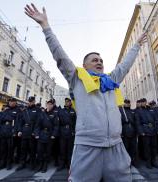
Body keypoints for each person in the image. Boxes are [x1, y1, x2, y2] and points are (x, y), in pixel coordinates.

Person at [24, 3, 146, 181]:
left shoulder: (110, 80)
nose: (99, 62)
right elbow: (60, 55)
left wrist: (136, 46)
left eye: (101, 60)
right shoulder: (76, 78)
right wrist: (45, 27)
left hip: (116, 145)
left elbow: (125, 65)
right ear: (85, 65)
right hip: (87, 147)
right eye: (94, 60)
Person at [0, 98, 21, 170]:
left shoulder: (18, 111)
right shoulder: (5, 110)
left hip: (11, 132)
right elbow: (0, 122)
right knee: (2, 149)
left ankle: (8, 163)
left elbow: (18, 122)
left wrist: (15, 131)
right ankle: (2, 163)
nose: (11, 103)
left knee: (10, 149)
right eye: (10, 102)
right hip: (3, 132)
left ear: (16, 103)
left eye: (13, 102)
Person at [17, 96, 41, 170]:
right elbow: (21, 121)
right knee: (23, 149)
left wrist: (35, 132)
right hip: (24, 131)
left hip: (32, 132)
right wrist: (20, 130)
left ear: (34, 101)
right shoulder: (25, 110)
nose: (30, 103)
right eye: (29, 101)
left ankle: (32, 164)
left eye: (32, 101)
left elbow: (38, 122)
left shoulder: (38, 110)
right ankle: (22, 163)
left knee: (32, 149)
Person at [136, 98, 158, 169]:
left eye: (144, 102)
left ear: (146, 102)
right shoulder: (139, 111)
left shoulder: (151, 110)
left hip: (153, 130)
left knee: (154, 147)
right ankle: (148, 162)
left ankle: (154, 161)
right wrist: (141, 132)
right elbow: (138, 123)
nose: (143, 103)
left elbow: (156, 120)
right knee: (147, 148)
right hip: (145, 131)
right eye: (142, 102)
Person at [57, 98, 76, 171]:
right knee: (62, 149)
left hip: (70, 132)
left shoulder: (73, 111)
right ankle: (61, 164)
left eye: (68, 102)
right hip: (62, 131)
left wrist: (73, 131)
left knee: (69, 149)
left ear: (70, 103)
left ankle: (69, 164)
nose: (67, 103)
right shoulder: (61, 111)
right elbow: (58, 123)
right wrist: (59, 132)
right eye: (66, 102)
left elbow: (75, 122)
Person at [119, 99, 138, 168]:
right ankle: (127, 162)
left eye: (128, 103)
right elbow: (119, 122)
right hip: (125, 132)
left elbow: (136, 122)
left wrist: (137, 131)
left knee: (134, 148)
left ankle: (134, 161)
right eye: (126, 103)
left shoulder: (132, 111)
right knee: (126, 148)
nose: (127, 104)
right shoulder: (121, 111)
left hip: (133, 132)